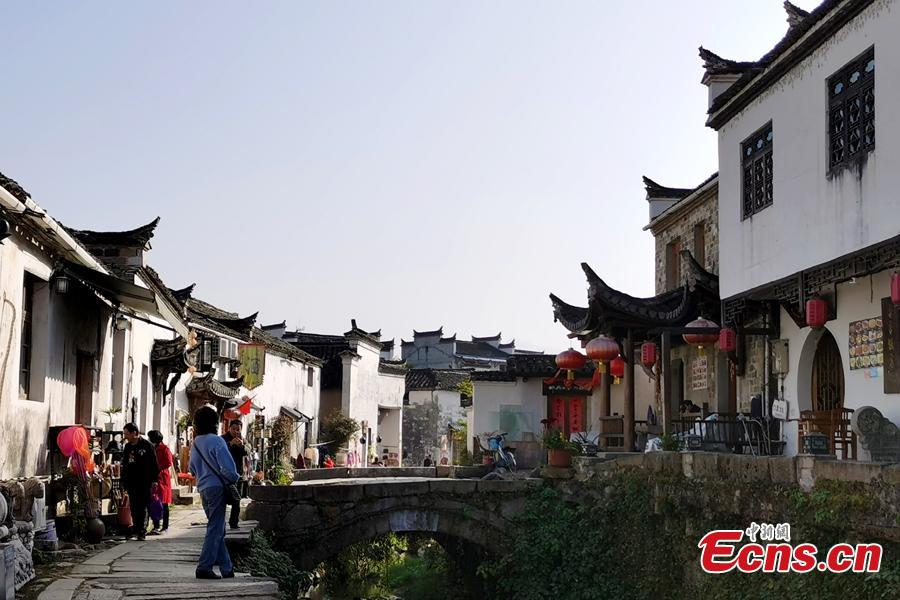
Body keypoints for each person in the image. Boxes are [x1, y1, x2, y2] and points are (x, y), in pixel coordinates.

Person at [189, 406, 239, 580]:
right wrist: (234, 478)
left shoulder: (195, 442)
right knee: (215, 528)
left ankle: (227, 569)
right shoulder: (217, 441)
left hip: (202, 488)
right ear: (213, 422)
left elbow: (192, 468)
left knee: (216, 528)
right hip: (217, 488)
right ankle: (204, 566)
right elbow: (229, 469)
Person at [121, 423, 159, 541]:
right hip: (132, 481)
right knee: (134, 506)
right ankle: (136, 528)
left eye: (127, 433)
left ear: (134, 433)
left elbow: (154, 464)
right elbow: (125, 465)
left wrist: (154, 480)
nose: (125, 436)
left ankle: (142, 531)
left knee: (143, 506)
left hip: (145, 481)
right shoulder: (128, 447)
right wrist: (124, 480)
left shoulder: (147, 445)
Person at [221, 419, 247, 529]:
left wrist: (242, 446)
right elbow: (220, 451)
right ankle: (221, 522)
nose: (236, 431)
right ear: (229, 428)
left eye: (238, 430)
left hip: (238, 473)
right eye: (234, 429)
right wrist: (230, 444)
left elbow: (247, 452)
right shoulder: (222, 439)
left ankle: (234, 522)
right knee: (225, 500)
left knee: (237, 499)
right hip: (225, 474)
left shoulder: (242, 439)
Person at [147, 430, 174, 534]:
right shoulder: (151, 448)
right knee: (154, 501)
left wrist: (157, 468)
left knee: (164, 502)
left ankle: (165, 526)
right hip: (153, 478)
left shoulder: (164, 449)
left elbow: (168, 462)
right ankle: (156, 525)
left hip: (162, 477)